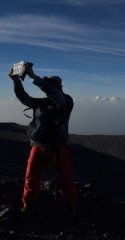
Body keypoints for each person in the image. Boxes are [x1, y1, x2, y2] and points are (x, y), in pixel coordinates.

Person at [8, 63, 77, 214]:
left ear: (58, 88)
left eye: (51, 87)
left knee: (65, 178)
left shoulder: (66, 102)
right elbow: (24, 98)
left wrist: (33, 76)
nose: (49, 91)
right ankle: (29, 203)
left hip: (58, 148)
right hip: (38, 146)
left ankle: (70, 204)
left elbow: (55, 95)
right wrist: (16, 81)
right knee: (31, 177)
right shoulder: (43, 103)